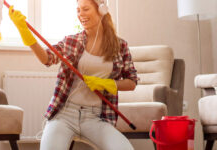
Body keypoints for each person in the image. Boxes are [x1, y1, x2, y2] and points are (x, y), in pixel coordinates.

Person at [9, 0, 139, 149]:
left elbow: (132, 82)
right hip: (64, 114)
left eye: (85, 9)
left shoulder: (120, 46)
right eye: (78, 10)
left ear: (101, 10)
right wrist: (24, 31)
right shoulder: (72, 41)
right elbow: (47, 58)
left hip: (96, 118)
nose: (80, 14)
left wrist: (106, 83)